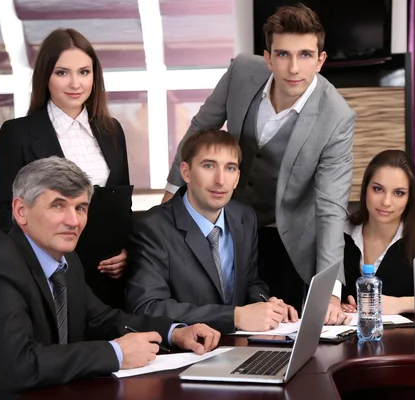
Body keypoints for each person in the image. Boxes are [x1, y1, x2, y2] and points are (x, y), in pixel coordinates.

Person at [0, 157, 220, 400]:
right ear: (20, 211)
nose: (73, 221)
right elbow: (19, 365)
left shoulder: (66, 258)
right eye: (58, 206)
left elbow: (102, 319)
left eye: (81, 208)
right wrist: (115, 354)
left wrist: (174, 332)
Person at [162, 4, 355, 324]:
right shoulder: (241, 72)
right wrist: (171, 195)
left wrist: (331, 293)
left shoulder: (337, 118)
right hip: (226, 222)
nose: (293, 68)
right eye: (283, 55)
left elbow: (332, 208)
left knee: (282, 326)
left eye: (305, 55)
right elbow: (199, 128)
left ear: (321, 61)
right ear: (268, 57)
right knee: (219, 318)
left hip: (287, 235)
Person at [0, 28, 130, 308]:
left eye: (84, 72)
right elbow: (4, 213)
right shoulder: (18, 134)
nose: (75, 83)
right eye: (62, 72)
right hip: (52, 276)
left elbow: (122, 205)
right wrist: (43, 259)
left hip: (109, 278)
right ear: (46, 77)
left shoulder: (111, 130)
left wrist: (129, 251)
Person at [125, 129, 297, 334]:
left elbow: (251, 282)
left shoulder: (244, 217)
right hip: (186, 352)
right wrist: (235, 317)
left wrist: (268, 307)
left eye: (230, 168)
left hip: (239, 348)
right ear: (186, 172)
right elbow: (147, 307)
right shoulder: (153, 228)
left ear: (237, 178)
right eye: (209, 166)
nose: (220, 180)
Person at [340, 150, 415, 314]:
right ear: (365, 189)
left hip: (412, 338)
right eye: (378, 189)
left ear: (410, 197)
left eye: (399, 193)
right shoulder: (340, 234)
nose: (386, 202)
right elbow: (323, 296)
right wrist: (337, 306)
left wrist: (400, 304)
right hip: (352, 337)